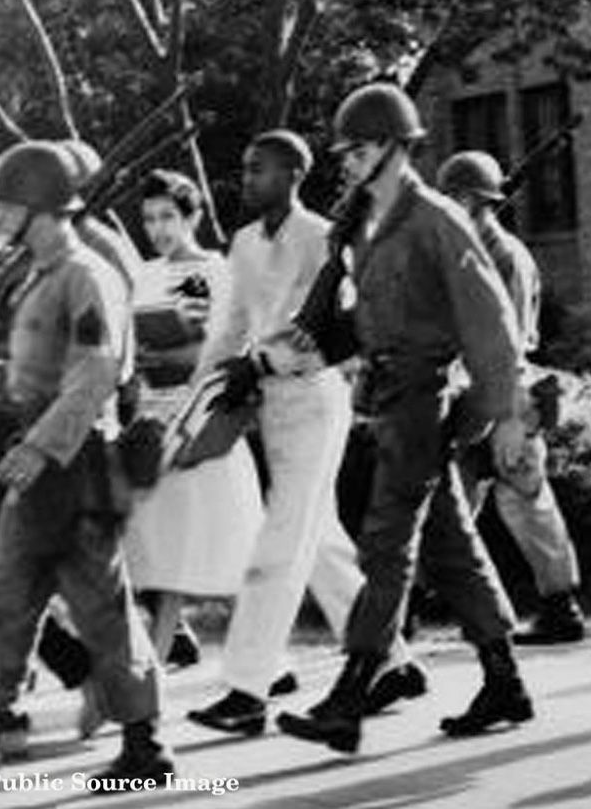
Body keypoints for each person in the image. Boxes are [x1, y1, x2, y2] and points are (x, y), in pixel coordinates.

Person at [277, 83, 534, 752]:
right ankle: (504, 677)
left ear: (395, 147)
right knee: (450, 543)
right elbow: (359, 323)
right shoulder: (364, 226)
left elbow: (490, 322)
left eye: (360, 148)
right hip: (388, 397)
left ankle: (352, 690)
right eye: (348, 151)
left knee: (387, 542)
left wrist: (506, 411)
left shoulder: (436, 218)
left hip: (424, 399)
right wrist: (293, 351)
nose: (350, 161)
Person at [185, 131, 423, 737]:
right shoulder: (242, 242)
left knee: (279, 545)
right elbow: (230, 325)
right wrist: (201, 392)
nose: (248, 178)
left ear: (295, 173)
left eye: (260, 168)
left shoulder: (323, 237)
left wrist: (260, 363)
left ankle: (247, 689)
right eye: (245, 167)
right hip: (265, 403)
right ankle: (392, 663)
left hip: (314, 403)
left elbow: (330, 328)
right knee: (318, 542)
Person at [0, 140, 171, 784]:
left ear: (38, 204)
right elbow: (30, 374)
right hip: (36, 465)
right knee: (6, 605)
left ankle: (145, 745)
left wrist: (37, 446)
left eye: (5, 202)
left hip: (78, 465)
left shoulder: (87, 275)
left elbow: (93, 374)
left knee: (103, 612)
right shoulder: (36, 274)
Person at [435, 151, 587, 646]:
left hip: (506, 391)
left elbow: (512, 338)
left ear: (471, 200)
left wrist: (510, 414)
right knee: (453, 499)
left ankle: (560, 605)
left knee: (525, 498)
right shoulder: (471, 249)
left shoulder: (505, 257)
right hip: (471, 392)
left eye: (455, 197)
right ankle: (439, 604)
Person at [121, 170, 261, 671]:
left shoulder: (218, 270)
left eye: (168, 217)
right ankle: (155, 661)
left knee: (226, 539)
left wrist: (179, 350)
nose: (158, 229)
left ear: (192, 217)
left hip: (202, 413)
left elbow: (229, 340)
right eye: (149, 219)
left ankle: (267, 661)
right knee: (162, 546)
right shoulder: (144, 274)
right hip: (155, 414)